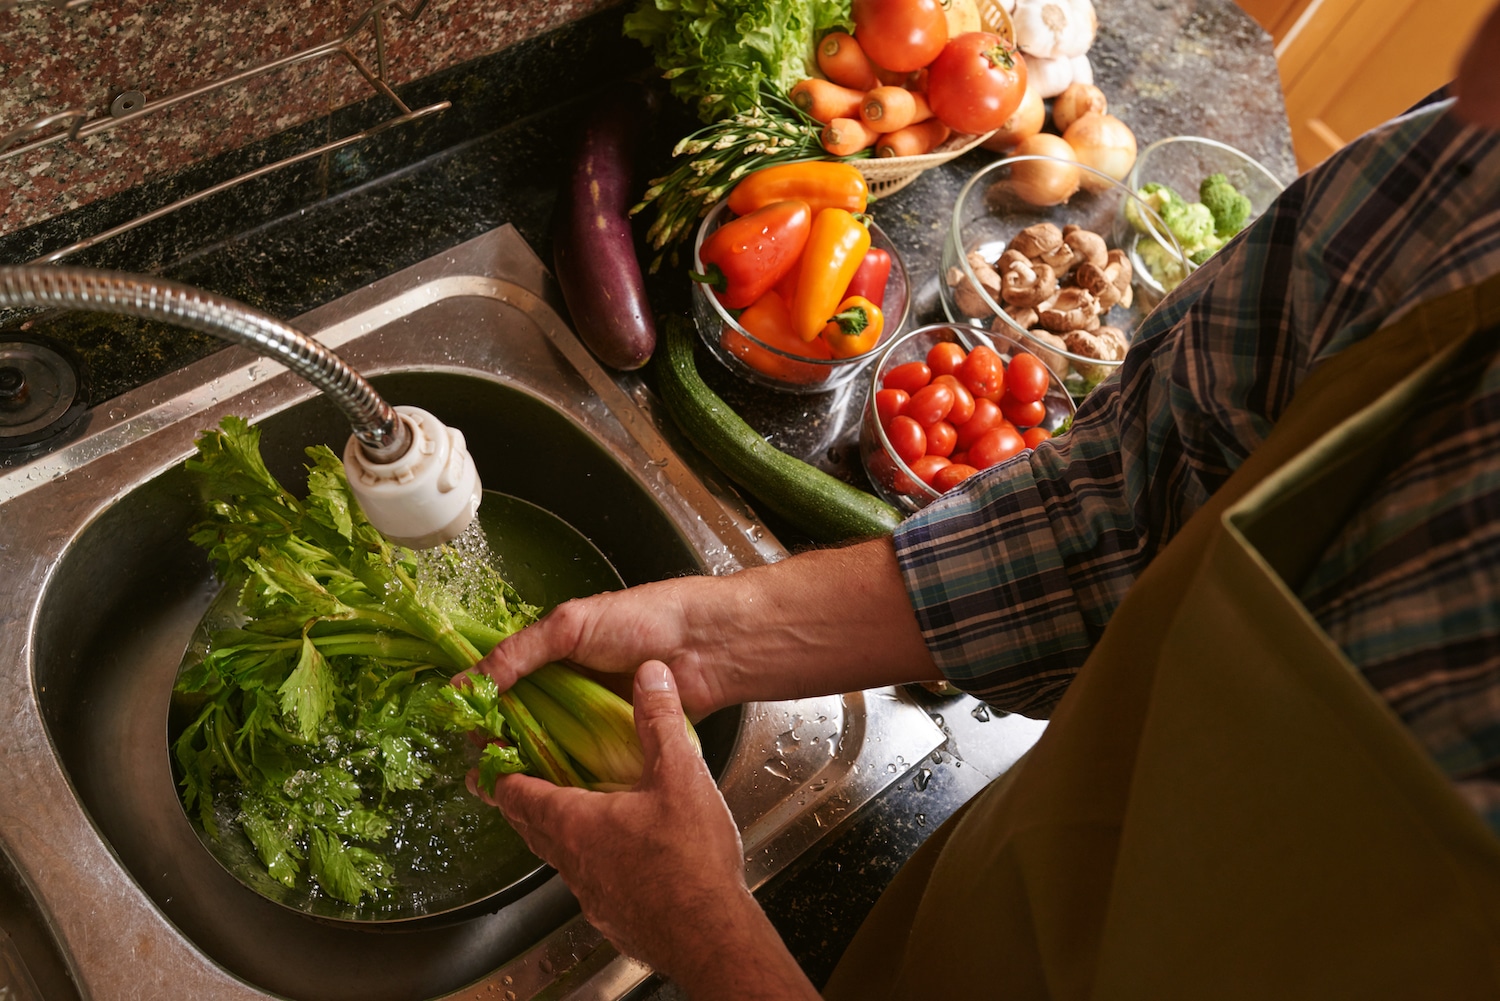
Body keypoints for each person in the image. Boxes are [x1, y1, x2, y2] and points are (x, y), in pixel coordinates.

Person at [462, 10, 1500, 999]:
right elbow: (1135, 501)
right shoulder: (1462, 171)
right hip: (1000, 913)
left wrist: (706, 935)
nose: (1477, 54)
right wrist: (707, 636)